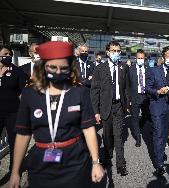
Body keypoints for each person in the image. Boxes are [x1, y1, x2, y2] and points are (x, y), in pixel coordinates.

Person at [9, 41, 105, 188]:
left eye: (64, 68)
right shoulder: (30, 94)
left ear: (71, 67)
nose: (58, 72)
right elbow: (23, 134)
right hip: (41, 163)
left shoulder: (79, 92)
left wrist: (95, 162)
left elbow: (88, 128)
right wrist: (15, 171)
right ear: (43, 65)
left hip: (74, 161)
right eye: (52, 67)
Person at [91, 41, 130, 176]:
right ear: (107, 52)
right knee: (107, 135)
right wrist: (96, 111)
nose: (116, 53)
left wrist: (127, 104)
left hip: (119, 106)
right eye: (113, 51)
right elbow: (95, 91)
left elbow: (127, 88)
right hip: (105, 107)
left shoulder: (124, 67)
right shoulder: (100, 68)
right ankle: (107, 157)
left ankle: (121, 165)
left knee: (118, 136)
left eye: (118, 51)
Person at [146, 46, 169, 176]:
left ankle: (160, 152)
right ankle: (159, 164)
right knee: (158, 134)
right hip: (157, 106)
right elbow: (147, 88)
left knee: (165, 134)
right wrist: (158, 91)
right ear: (163, 57)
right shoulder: (153, 70)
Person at [0, 45, 28, 173]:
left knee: (14, 142)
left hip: (13, 112)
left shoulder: (18, 72)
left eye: (9, 54)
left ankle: (14, 170)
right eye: (5, 54)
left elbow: (22, 93)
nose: (8, 56)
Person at [129, 49, 150, 147]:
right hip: (135, 96)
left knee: (146, 115)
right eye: (139, 58)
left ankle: (140, 126)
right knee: (135, 118)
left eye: (142, 58)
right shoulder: (131, 69)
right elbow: (127, 85)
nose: (140, 59)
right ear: (135, 58)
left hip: (145, 96)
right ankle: (138, 138)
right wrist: (128, 99)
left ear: (144, 58)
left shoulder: (148, 69)